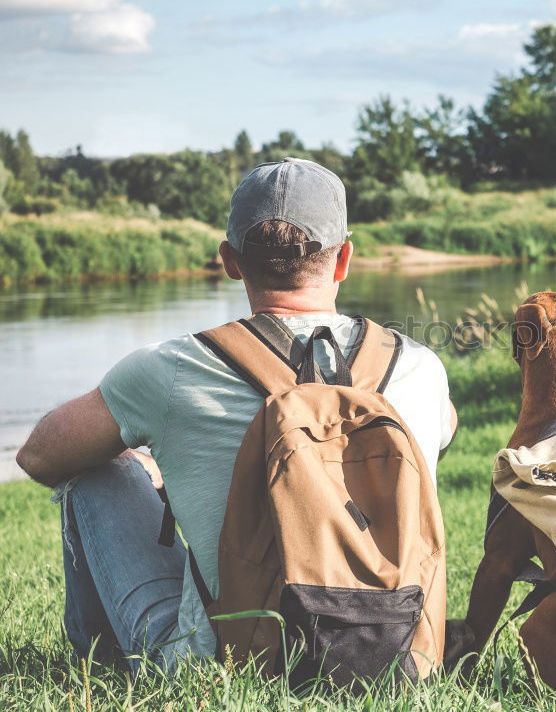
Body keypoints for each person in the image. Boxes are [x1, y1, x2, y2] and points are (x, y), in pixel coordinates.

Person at [16, 157, 457, 671]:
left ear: (229, 259)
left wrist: (153, 463)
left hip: (221, 665)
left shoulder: (172, 367)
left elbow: (40, 457)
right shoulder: (421, 367)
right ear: (344, 260)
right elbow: (444, 427)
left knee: (97, 469)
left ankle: (100, 661)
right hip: (401, 657)